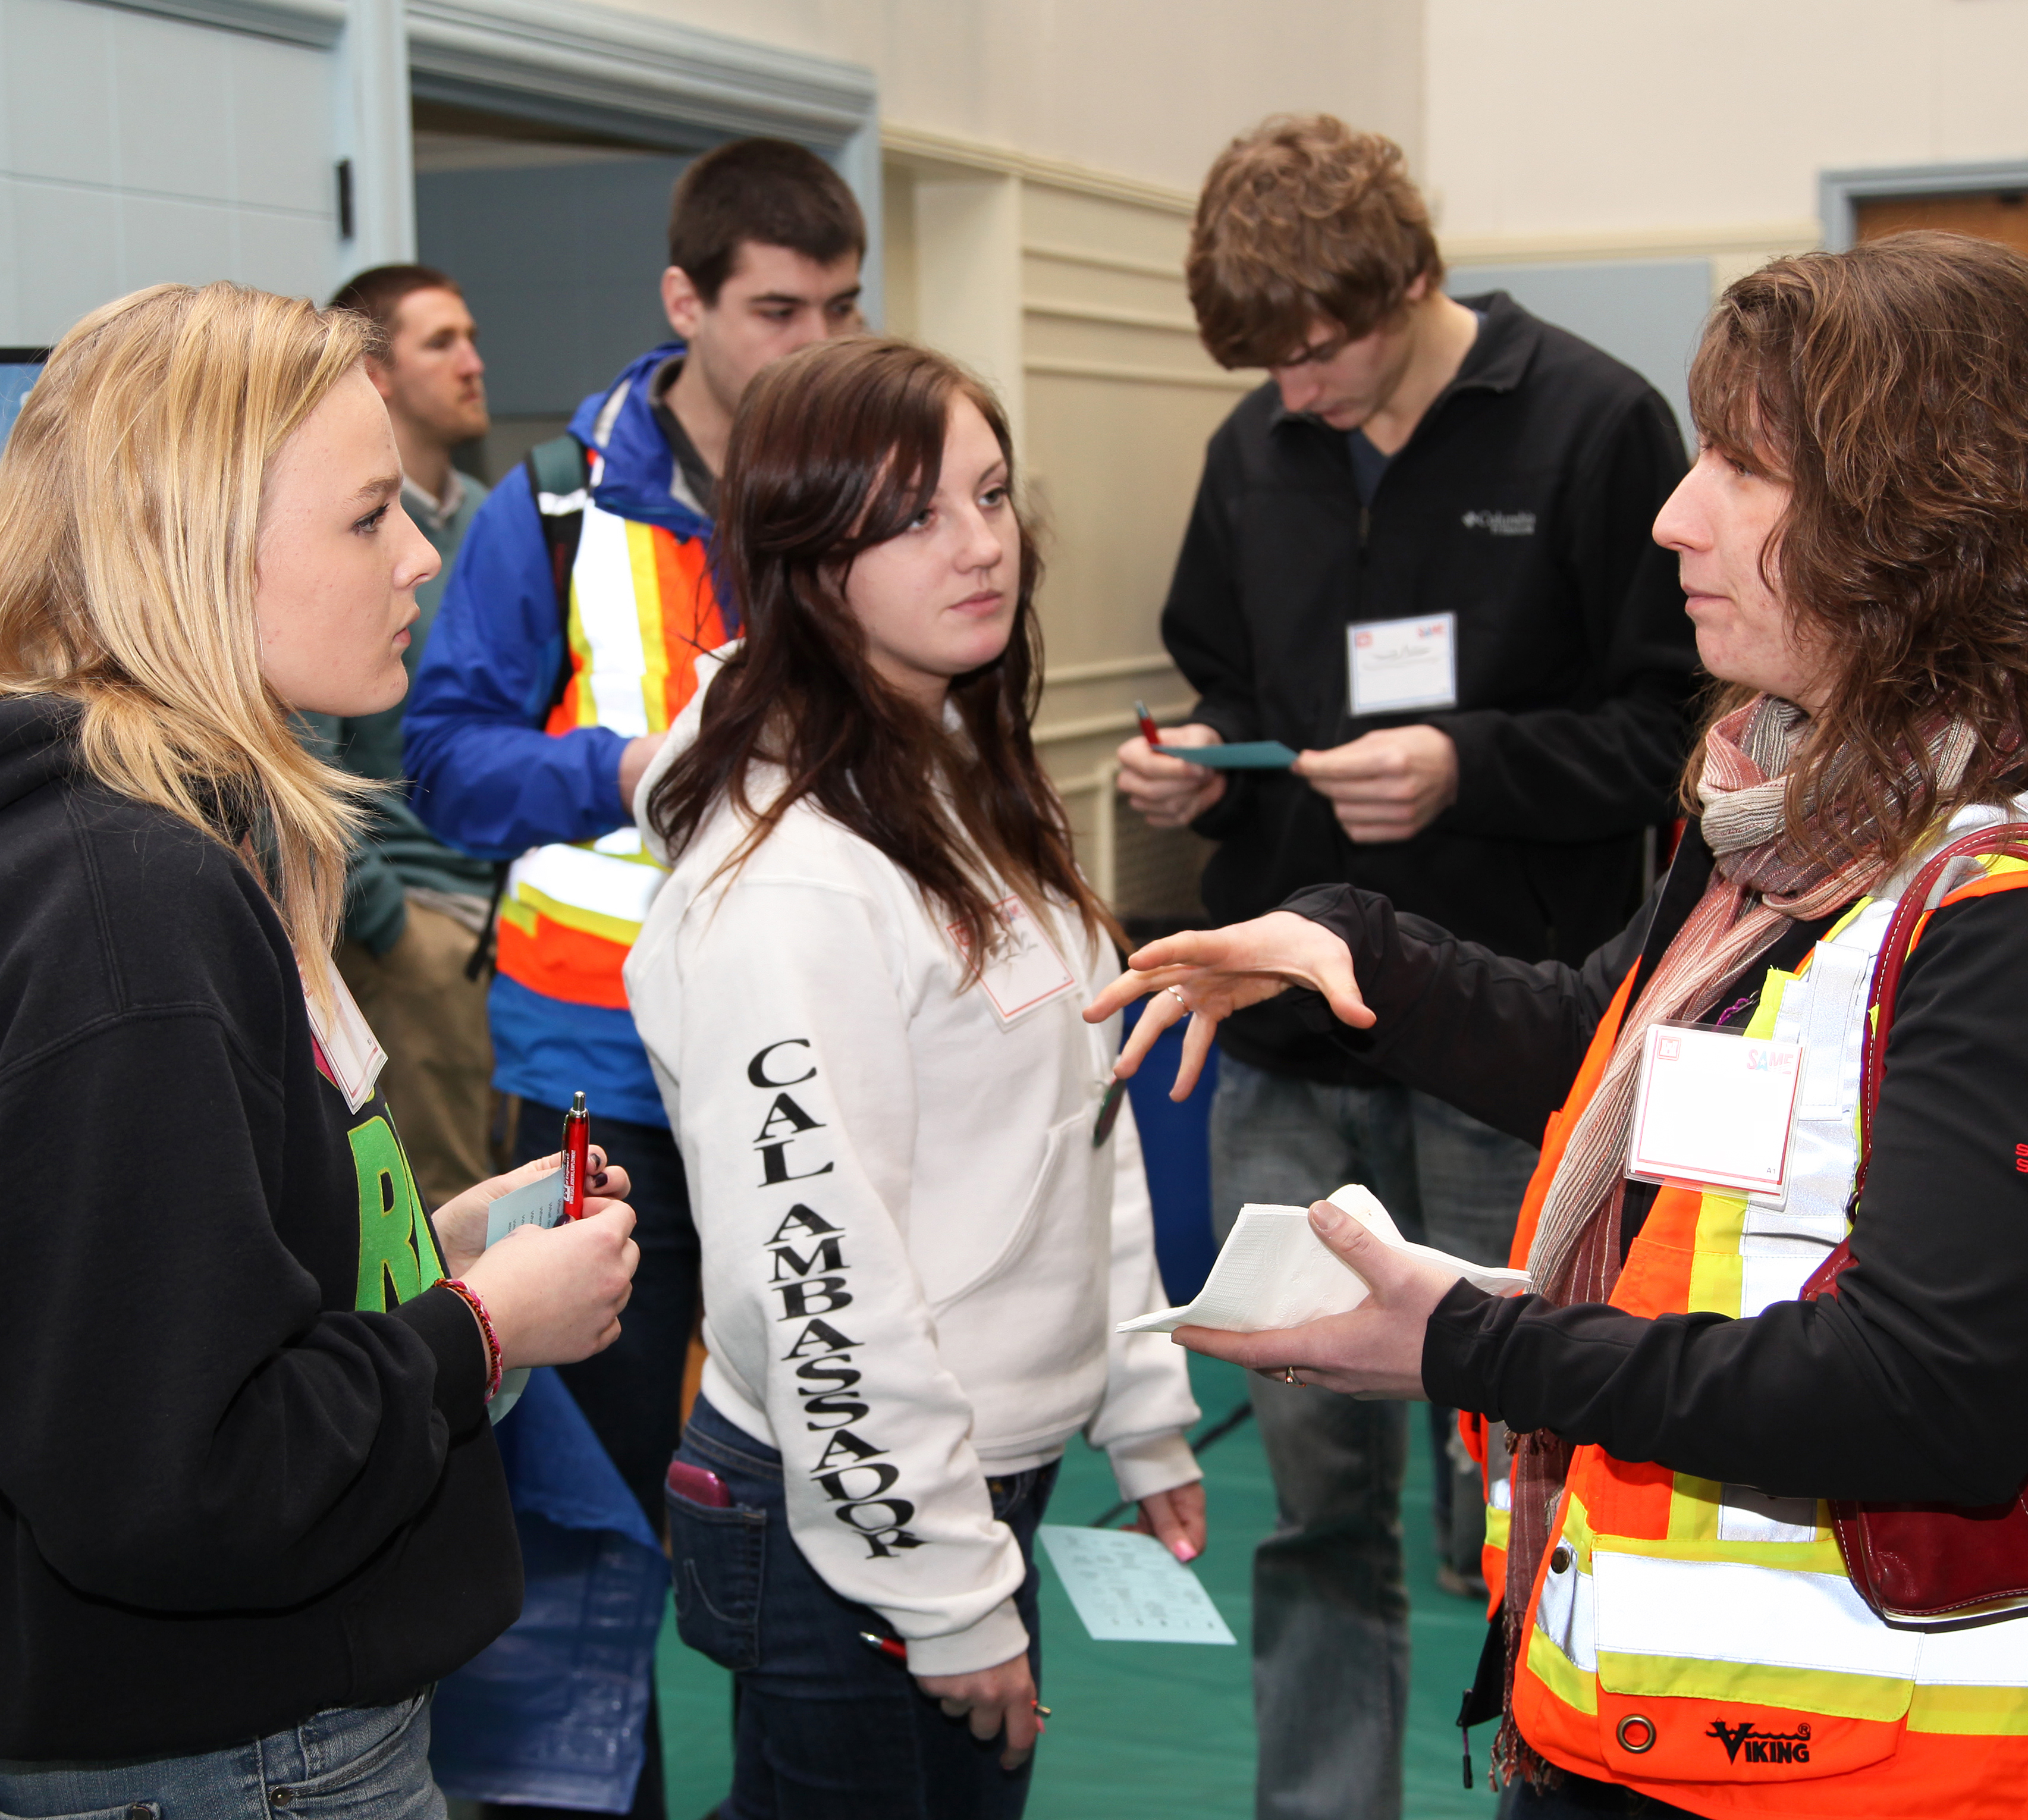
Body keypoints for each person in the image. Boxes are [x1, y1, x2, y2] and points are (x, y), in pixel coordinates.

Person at [1088, 231, 2028, 1820]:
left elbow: (1923, 1388)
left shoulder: (1986, 905)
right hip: (1639, 1720)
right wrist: (1334, 938)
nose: (1676, 513)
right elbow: (1608, 1043)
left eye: (1743, 465)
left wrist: (1463, 1340)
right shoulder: (1786, 804)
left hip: (1845, 1761)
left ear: (1908, 521)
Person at [0, 280, 641, 1818]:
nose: (419, 555)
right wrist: (475, 1331)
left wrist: (412, 1247)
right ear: (187, 545)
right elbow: (177, 1474)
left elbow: (163, 1304)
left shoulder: (130, 857)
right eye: (365, 517)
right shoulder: (121, 902)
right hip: (238, 1756)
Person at [1112, 112, 1700, 1819]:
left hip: (1508, 1034)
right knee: (1312, 1491)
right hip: (1295, 1038)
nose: (1293, 394)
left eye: (1318, 353)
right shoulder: (1253, 443)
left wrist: (1466, 765)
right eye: (1265, 367)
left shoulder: (1592, 420)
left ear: (1412, 281)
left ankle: (1538, 1777)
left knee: (1524, 1469)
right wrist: (1193, 756)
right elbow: (1225, 681)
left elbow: (1668, 732)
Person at [630, 337, 1208, 1819]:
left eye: (993, 494)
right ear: (808, 555)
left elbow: (1079, 1123)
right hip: (854, 1510)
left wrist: (1139, 1401)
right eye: (911, 516)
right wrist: (943, 1590)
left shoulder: (955, 766)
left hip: (969, 1477)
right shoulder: (796, 884)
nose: (980, 543)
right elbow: (814, 1277)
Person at [402, 134, 865, 1816]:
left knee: (826, 1455)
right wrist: (625, 770)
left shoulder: (869, 488)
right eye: (773, 308)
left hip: (820, 1065)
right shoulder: (547, 502)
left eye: (839, 304)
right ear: (684, 303)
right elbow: (443, 762)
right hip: (597, 1068)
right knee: (592, 1505)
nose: (813, 344)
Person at [306, 262, 499, 1202]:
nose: (474, 363)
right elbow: (301, 753)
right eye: (441, 342)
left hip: (509, 924)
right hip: (417, 929)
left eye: (471, 337)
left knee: (520, 1200)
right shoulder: (329, 544)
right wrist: (391, 928)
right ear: (376, 374)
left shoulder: (492, 525)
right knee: (444, 1213)